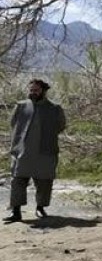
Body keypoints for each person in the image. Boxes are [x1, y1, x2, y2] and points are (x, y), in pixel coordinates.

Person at [4, 79, 67, 223]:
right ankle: (16, 212)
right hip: (22, 151)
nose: (32, 93)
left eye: (36, 90)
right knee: (18, 180)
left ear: (43, 91)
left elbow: (61, 125)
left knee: (44, 182)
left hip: (46, 150)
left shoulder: (54, 108)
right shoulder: (21, 106)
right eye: (31, 90)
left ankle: (40, 207)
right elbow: (13, 124)